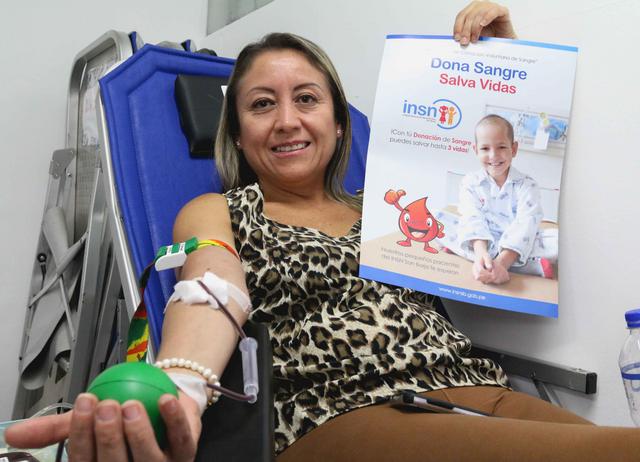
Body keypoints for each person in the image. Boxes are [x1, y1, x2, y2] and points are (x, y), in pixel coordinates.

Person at [6, 2, 640, 461]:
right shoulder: (219, 210)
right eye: (261, 104)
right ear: (237, 132)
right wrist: (180, 388)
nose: (286, 120)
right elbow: (210, 293)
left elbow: (496, 172)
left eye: (306, 99)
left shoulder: (387, 206)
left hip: (476, 386)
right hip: (343, 412)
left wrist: (509, 62)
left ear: (340, 124)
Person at [436, 114, 558, 285]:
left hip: (516, 242)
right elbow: (472, 217)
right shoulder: (470, 182)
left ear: (513, 149)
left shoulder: (527, 185)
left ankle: (478, 257)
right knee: (437, 220)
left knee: (556, 241)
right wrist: (480, 253)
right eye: (485, 148)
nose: (494, 156)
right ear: (476, 150)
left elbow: (526, 223)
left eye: (501, 147)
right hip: (482, 239)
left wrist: (502, 263)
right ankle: (522, 266)